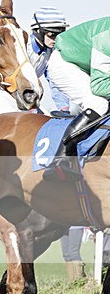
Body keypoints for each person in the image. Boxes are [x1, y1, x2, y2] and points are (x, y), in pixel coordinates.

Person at [44, 16, 110, 181]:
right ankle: (61, 158)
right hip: (64, 63)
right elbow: (100, 86)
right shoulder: (106, 37)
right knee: (99, 103)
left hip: (86, 66)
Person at [0, 6, 71, 117]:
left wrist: (64, 109)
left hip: (26, 96)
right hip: (1, 95)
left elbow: (56, 81)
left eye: (60, 35)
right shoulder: (23, 46)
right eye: (52, 34)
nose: (56, 39)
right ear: (38, 31)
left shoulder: (52, 52)